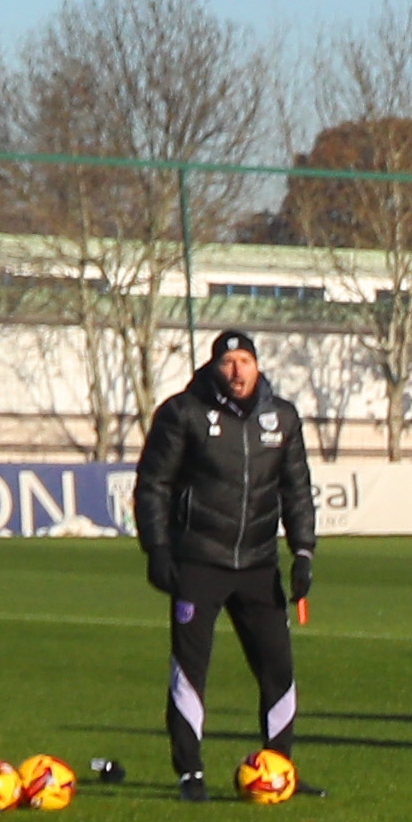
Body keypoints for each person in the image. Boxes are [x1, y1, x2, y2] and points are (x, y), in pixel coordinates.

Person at [135, 326, 316, 798]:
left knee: (277, 667)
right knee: (191, 669)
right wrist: (156, 548)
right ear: (215, 367)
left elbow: (296, 490)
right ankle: (190, 772)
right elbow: (153, 484)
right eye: (227, 363)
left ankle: (279, 768)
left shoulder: (283, 417)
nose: (237, 372)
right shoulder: (183, 413)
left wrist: (302, 552)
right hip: (198, 561)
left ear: (258, 366)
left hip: (258, 564)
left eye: (245, 363)